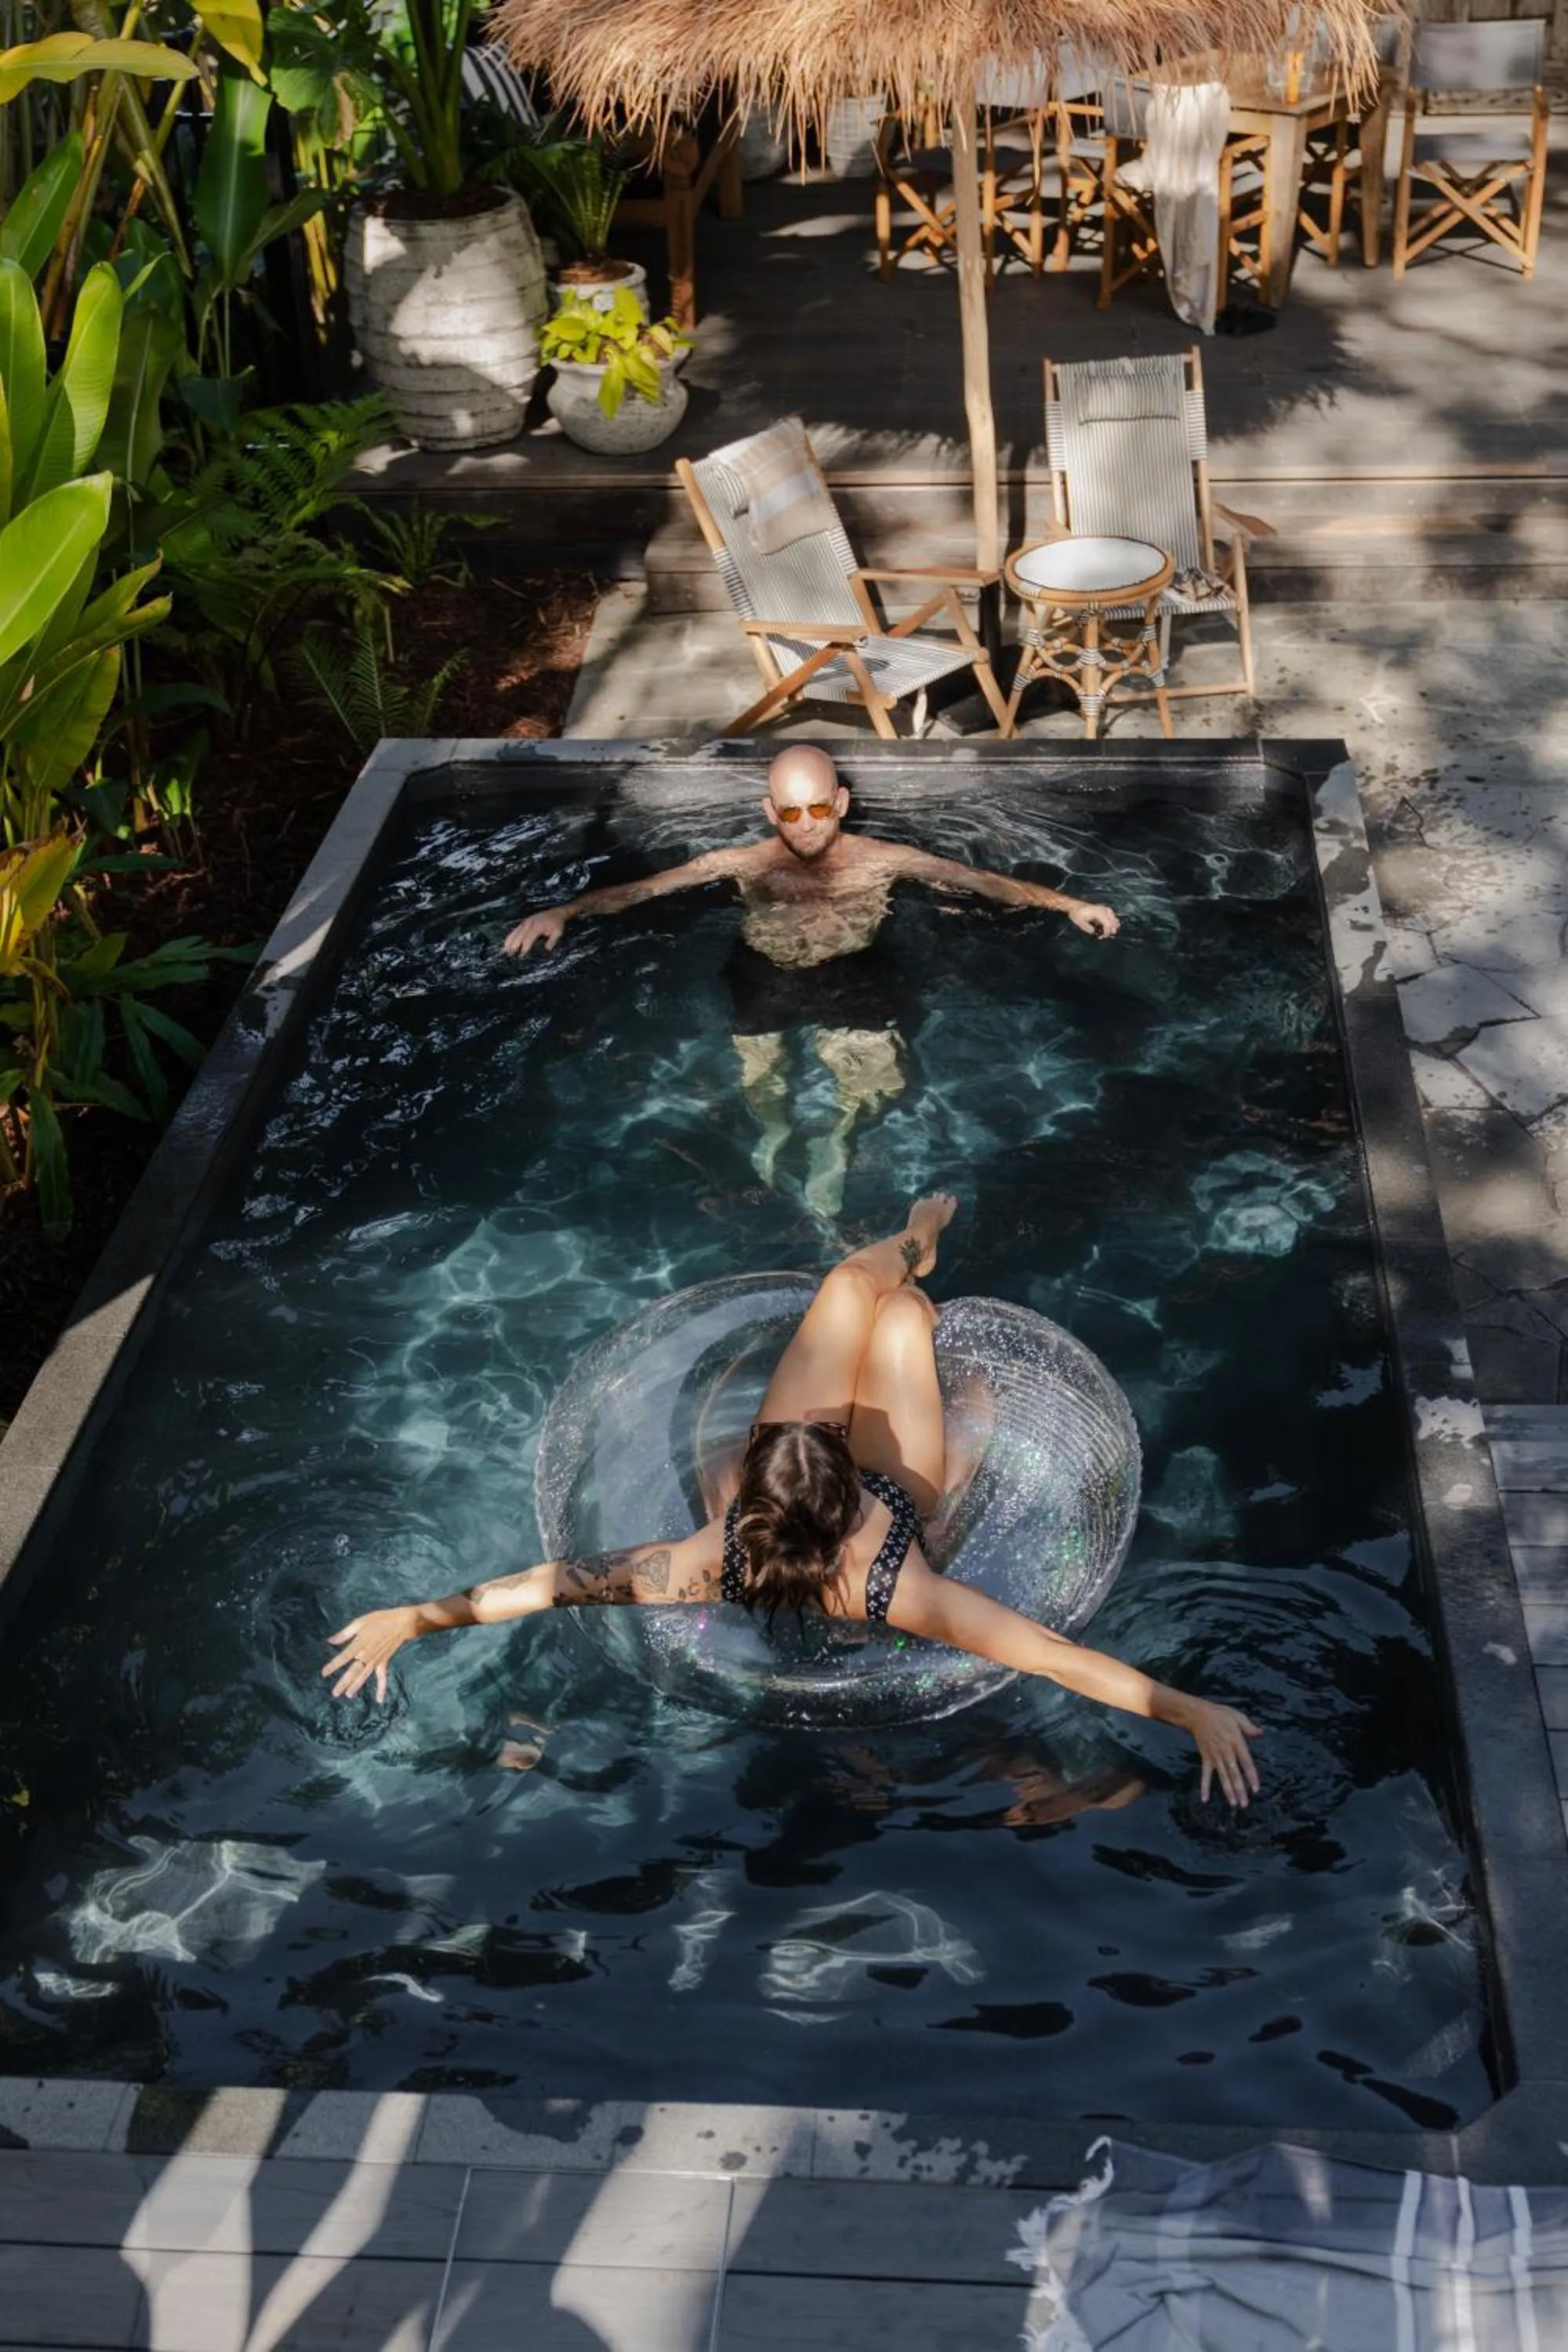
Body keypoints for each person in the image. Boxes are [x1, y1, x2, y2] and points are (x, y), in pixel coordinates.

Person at [324, 1193, 1262, 1809]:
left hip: (802, 1484)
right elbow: (1056, 1658)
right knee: (900, 1316)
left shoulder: (698, 1559)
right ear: (845, 1498)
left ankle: (916, 1238)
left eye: (796, 1439)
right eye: (809, 1441)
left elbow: (540, 1585)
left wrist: (411, 1619)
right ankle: (916, 1275)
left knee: (854, 1282)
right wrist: (1188, 1712)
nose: (814, 1427)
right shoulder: (898, 1590)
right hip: (907, 1489)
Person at [502, 746, 1121, 1218]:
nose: (804, 825)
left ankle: (838, 1140)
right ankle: (775, 1133)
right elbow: (642, 891)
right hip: (761, 975)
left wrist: (1068, 905)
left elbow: (982, 882)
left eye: (818, 808)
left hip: (851, 977)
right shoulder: (741, 863)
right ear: (771, 811)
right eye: (790, 812)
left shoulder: (884, 858)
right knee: (762, 1079)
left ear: (841, 803)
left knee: (874, 1079)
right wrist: (565, 911)